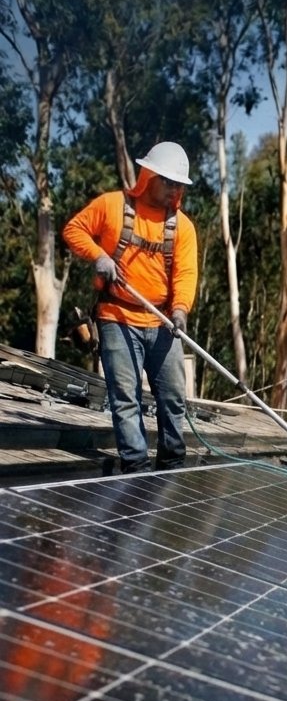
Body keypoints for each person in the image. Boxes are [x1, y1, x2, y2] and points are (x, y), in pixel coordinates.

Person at [63, 142, 198, 473]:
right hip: (117, 317)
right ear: (148, 176)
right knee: (126, 397)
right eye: (168, 181)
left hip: (163, 322)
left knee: (172, 399)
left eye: (179, 184)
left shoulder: (182, 227)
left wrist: (180, 310)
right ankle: (137, 470)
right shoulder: (111, 206)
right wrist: (99, 256)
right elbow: (73, 230)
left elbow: (185, 273)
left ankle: (171, 466)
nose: (174, 189)